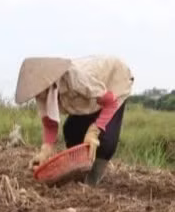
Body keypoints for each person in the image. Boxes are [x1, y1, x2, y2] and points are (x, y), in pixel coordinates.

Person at [14, 55, 134, 186]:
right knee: (72, 130)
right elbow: (49, 123)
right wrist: (45, 150)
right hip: (90, 100)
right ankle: (79, 170)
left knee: (105, 139)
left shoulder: (75, 78)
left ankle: (92, 179)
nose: (37, 95)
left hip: (112, 82)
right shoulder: (41, 92)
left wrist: (94, 130)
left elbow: (110, 102)